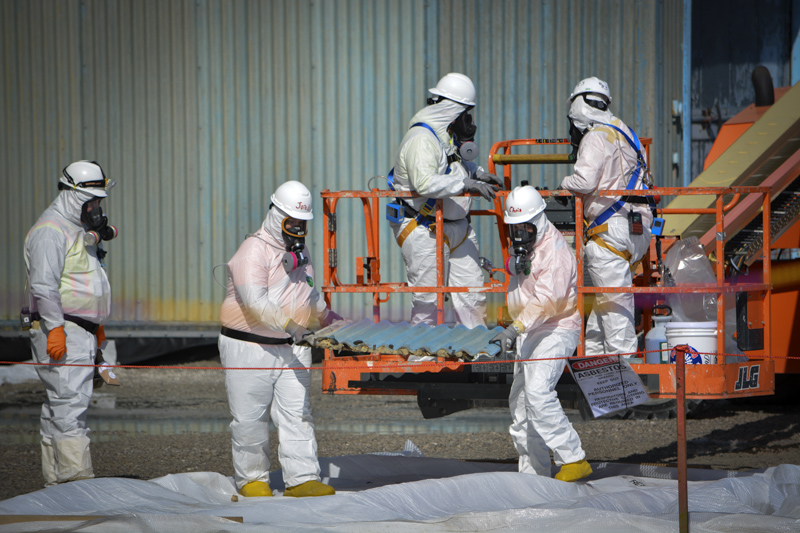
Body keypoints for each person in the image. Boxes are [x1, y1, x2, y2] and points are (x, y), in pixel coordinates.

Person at [218, 180, 343, 498]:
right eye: (292, 222)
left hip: (291, 345)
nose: (298, 228)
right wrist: (291, 325)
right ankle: (252, 479)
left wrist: (326, 317)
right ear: (276, 214)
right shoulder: (252, 251)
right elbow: (255, 302)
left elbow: (308, 290)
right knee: (250, 418)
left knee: (298, 413)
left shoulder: (300, 251)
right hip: (249, 345)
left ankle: (302, 479)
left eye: (302, 223)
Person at [23, 160, 118, 486]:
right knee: (70, 407)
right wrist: (57, 328)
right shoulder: (50, 232)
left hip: (81, 330)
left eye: (99, 203)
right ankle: (77, 488)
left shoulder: (76, 230)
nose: (95, 209)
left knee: (59, 406)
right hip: (63, 329)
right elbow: (43, 286)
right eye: (91, 202)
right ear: (71, 195)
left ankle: (56, 487)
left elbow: (85, 283)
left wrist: (98, 325)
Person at [491, 185, 592, 482]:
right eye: (514, 228)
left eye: (524, 227)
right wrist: (511, 265)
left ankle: (573, 459)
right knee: (521, 404)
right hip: (529, 329)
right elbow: (526, 276)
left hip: (556, 328)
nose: (519, 233)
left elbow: (548, 301)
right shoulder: (529, 245)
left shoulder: (556, 252)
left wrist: (514, 328)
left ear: (538, 220)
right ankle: (533, 475)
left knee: (537, 392)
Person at [388, 72, 502, 328]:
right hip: (424, 228)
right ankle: (423, 363)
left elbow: (453, 165)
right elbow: (425, 182)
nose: (469, 121)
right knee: (429, 301)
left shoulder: (444, 135)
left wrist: (477, 173)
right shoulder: (421, 139)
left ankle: (476, 352)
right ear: (454, 110)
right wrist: (466, 184)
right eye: (467, 114)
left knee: (473, 296)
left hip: (457, 228)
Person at [558, 76, 653, 358]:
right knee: (600, 315)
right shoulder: (628, 133)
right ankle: (597, 382)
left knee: (615, 317)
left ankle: (626, 390)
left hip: (609, 234)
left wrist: (564, 184)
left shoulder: (595, 136)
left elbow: (585, 182)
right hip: (637, 230)